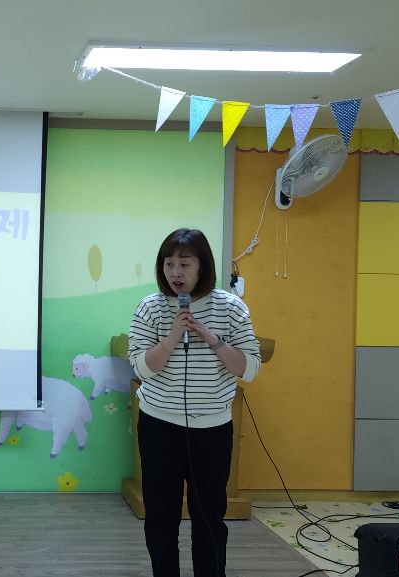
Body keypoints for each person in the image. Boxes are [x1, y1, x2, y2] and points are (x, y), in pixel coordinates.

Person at [127, 228, 261, 577]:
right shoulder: (150, 307)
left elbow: (249, 368)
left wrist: (212, 339)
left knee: (209, 519)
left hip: (211, 431)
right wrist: (172, 337)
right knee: (161, 519)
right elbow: (141, 368)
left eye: (185, 264)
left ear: (203, 267)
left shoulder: (230, 308)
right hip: (159, 427)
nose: (176, 272)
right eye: (168, 263)